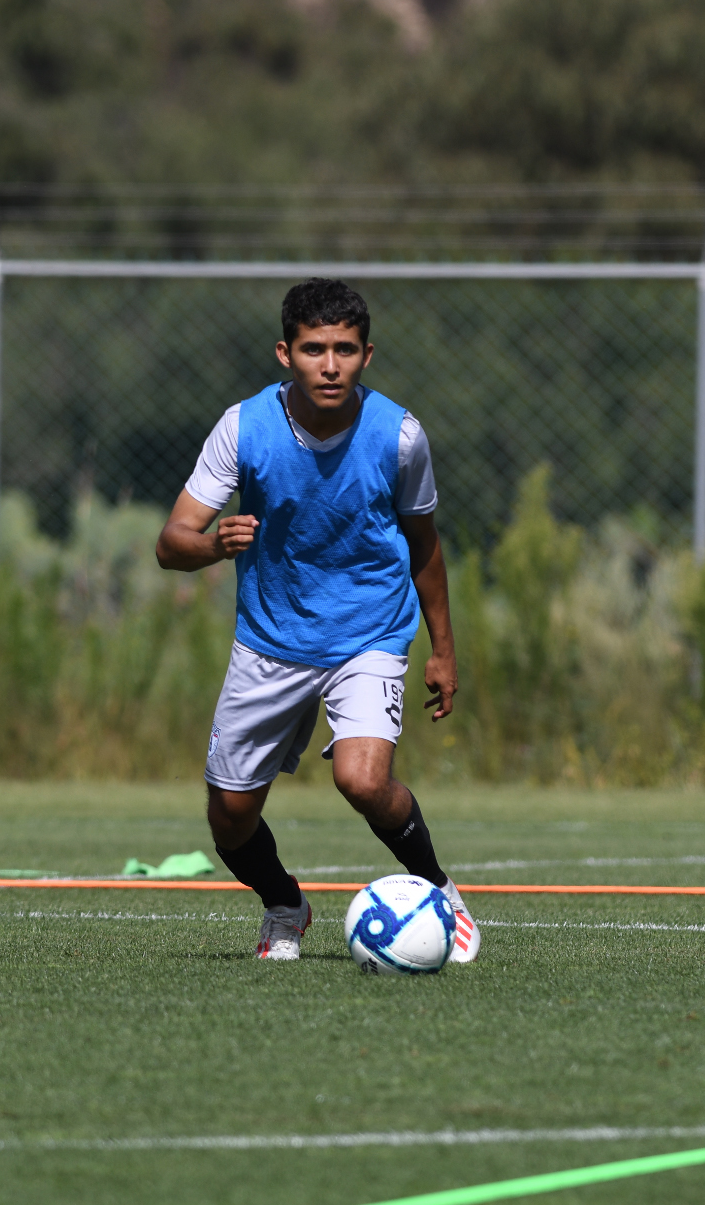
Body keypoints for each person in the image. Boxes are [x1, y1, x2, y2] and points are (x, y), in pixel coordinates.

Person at [155, 278, 480, 964]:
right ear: (285, 354)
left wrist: (443, 650)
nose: (329, 366)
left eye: (344, 350)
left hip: (369, 634)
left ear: (367, 355)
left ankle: (439, 893)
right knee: (229, 818)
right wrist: (213, 545)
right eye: (313, 350)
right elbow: (171, 542)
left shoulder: (399, 435)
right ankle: (284, 906)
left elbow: (425, 546)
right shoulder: (243, 427)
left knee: (362, 780)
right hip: (269, 641)